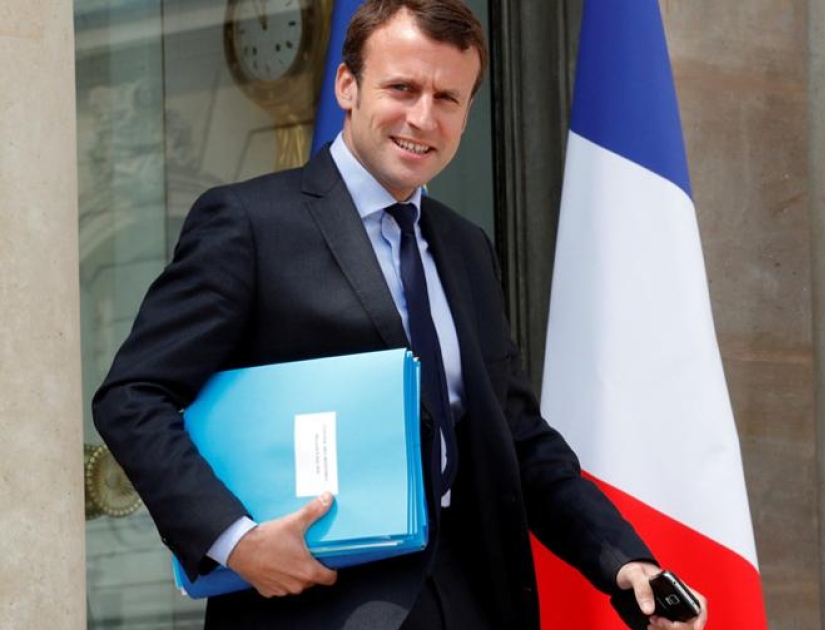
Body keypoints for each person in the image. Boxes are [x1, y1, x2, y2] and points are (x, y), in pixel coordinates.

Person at [92, 1, 708, 629]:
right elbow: (132, 397)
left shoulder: (467, 247)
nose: (423, 118)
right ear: (347, 87)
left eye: (447, 98)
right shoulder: (249, 224)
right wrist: (235, 540)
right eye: (403, 88)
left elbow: (516, 435)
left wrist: (625, 562)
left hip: (474, 601)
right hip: (314, 603)